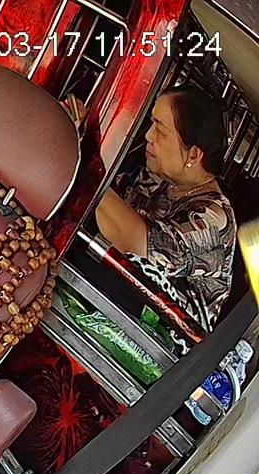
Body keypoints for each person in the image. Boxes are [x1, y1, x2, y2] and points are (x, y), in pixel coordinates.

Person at [96, 85, 237, 330]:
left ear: (193, 155)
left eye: (160, 131)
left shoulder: (214, 220)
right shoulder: (157, 180)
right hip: (110, 298)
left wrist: (86, 170)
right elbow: (109, 202)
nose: (148, 136)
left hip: (153, 337)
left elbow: (134, 245)